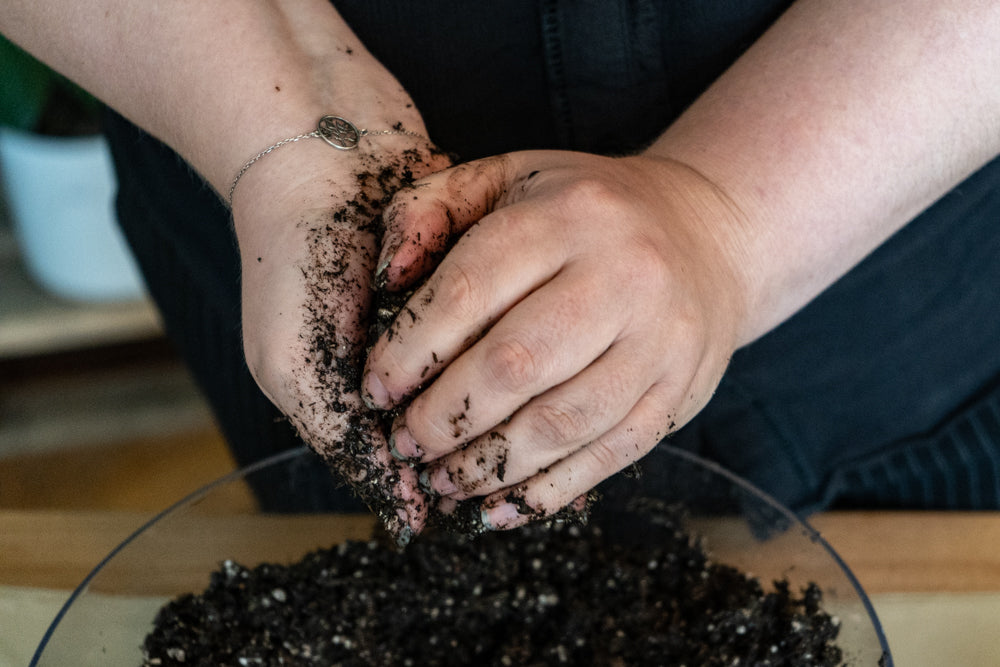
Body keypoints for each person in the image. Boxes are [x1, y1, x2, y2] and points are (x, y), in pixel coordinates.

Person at [3, 1, 999, 541]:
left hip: (881, 225)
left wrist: (722, 215)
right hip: (273, 191)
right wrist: (283, 131)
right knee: (371, 534)